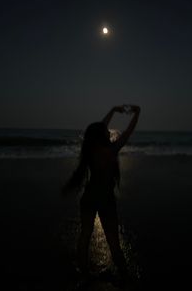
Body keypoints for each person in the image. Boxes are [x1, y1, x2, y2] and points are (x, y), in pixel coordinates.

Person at [63, 104, 140, 282]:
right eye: (105, 130)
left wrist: (113, 110)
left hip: (88, 197)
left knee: (85, 235)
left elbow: (99, 127)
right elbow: (128, 131)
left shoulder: (89, 149)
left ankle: (84, 274)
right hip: (105, 200)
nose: (108, 131)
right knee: (113, 242)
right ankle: (125, 277)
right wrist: (138, 112)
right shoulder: (111, 151)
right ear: (102, 135)